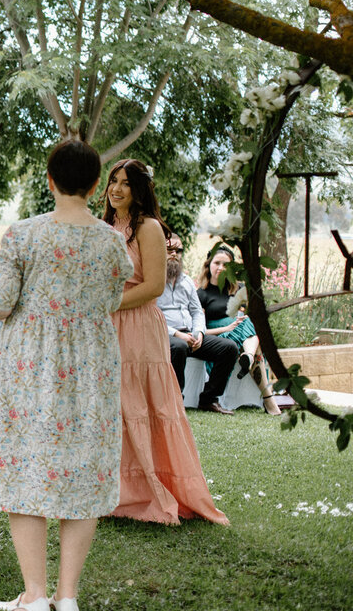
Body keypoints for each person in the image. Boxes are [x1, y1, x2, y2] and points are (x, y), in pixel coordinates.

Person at [0, 140, 132, 611]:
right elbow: (110, 299)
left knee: (25, 466)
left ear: (49, 180)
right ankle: (67, 597)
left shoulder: (23, 234)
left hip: (30, 364)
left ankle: (35, 594)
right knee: (82, 469)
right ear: (92, 186)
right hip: (91, 365)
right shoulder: (110, 239)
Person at [103, 159, 228, 525]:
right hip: (105, 327)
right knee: (113, 406)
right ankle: (114, 490)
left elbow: (154, 286)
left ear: (139, 189)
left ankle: (148, 490)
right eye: (113, 180)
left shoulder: (149, 227)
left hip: (138, 324)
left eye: (126, 183)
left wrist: (109, 303)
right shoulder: (105, 226)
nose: (117, 189)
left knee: (141, 404)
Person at [156, 233, 239, 415]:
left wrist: (199, 332)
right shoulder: (153, 280)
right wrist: (177, 334)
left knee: (229, 348)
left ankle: (209, 399)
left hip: (190, 334)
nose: (174, 254)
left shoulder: (185, 281)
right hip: (165, 335)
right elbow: (151, 316)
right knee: (178, 347)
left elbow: (196, 311)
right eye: (170, 250)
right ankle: (176, 402)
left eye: (178, 251)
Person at [196, 245, 281, 415]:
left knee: (251, 321)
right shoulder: (201, 294)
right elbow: (200, 329)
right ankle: (268, 399)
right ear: (208, 264)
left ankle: (248, 356)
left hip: (242, 334)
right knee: (250, 325)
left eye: (225, 264)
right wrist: (226, 327)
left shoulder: (239, 289)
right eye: (217, 263)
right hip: (220, 336)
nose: (220, 268)